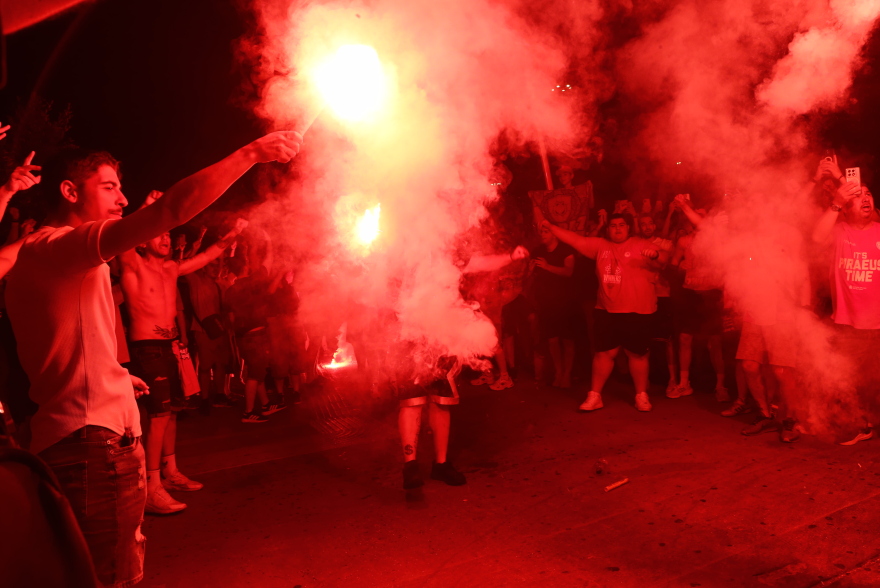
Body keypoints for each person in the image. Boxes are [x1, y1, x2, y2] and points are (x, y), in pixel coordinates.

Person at [5, 131, 302, 587]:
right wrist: (252, 153)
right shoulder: (59, 246)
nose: (123, 199)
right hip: (91, 447)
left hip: (80, 439)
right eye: (109, 187)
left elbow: (61, 344)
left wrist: (114, 377)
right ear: (69, 191)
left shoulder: (44, 255)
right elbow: (170, 210)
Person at [119, 199, 247, 515]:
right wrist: (146, 209)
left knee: (173, 412)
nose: (166, 238)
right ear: (143, 240)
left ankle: (171, 472)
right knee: (159, 415)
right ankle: (151, 487)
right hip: (147, 349)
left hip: (172, 347)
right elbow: (124, 235)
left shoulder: (171, 268)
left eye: (167, 234)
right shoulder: (133, 264)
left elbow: (207, 255)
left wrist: (232, 234)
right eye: (159, 234)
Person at [400, 246, 528, 490]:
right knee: (412, 400)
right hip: (412, 333)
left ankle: (441, 464)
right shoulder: (402, 251)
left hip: (444, 332)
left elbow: (479, 263)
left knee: (442, 400)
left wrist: (510, 257)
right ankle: (410, 465)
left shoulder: (448, 250)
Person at [546, 214, 664, 412]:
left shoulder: (640, 244)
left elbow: (665, 258)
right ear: (608, 229)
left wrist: (656, 255)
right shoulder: (600, 245)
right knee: (603, 354)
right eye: (613, 225)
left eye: (621, 225)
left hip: (638, 310)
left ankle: (641, 395)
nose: (617, 229)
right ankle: (595, 395)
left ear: (628, 228)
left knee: (637, 355)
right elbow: (575, 240)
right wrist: (551, 227)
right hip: (607, 310)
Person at [812, 167, 880, 445]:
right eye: (859, 196)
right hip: (848, 323)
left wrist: (841, 178)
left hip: (878, 323)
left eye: (869, 194)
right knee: (851, 379)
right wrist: (837, 201)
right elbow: (817, 238)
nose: (866, 198)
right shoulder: (839, 231)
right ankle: (861, 425)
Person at [670, 195, 728, 401]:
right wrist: (680, 268)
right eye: (696, 216)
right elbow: (673, 265)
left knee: (715, 342)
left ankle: (720, 385)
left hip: (711, 293)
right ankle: (684, 383)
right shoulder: (684, 241)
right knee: (685, 338)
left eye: (702, 216)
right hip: (690, 293)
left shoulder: (716, 239)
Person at [530, 222, 577, 388]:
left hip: (565, 302)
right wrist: (530, 270)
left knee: (568, 340)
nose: (542, 234)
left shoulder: (566, 250)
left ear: (554, 234)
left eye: (546, 231)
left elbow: (568, 272)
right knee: (552, 340)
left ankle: (567, 374)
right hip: (547, 302)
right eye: (541, 231)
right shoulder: (538, 251)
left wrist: (547, 266)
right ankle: (558, 372)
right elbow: (532, 275)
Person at [638, 213, 676, 396]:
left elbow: (666, 265)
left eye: (650, 223)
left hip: (663, 295)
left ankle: (672, 380)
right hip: (642, 296)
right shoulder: (635, 244)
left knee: (668, 340)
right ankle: (644, 379)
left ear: (655, 225)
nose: (647, 227)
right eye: (643, 224)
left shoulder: (666, 244)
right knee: (643, 338)